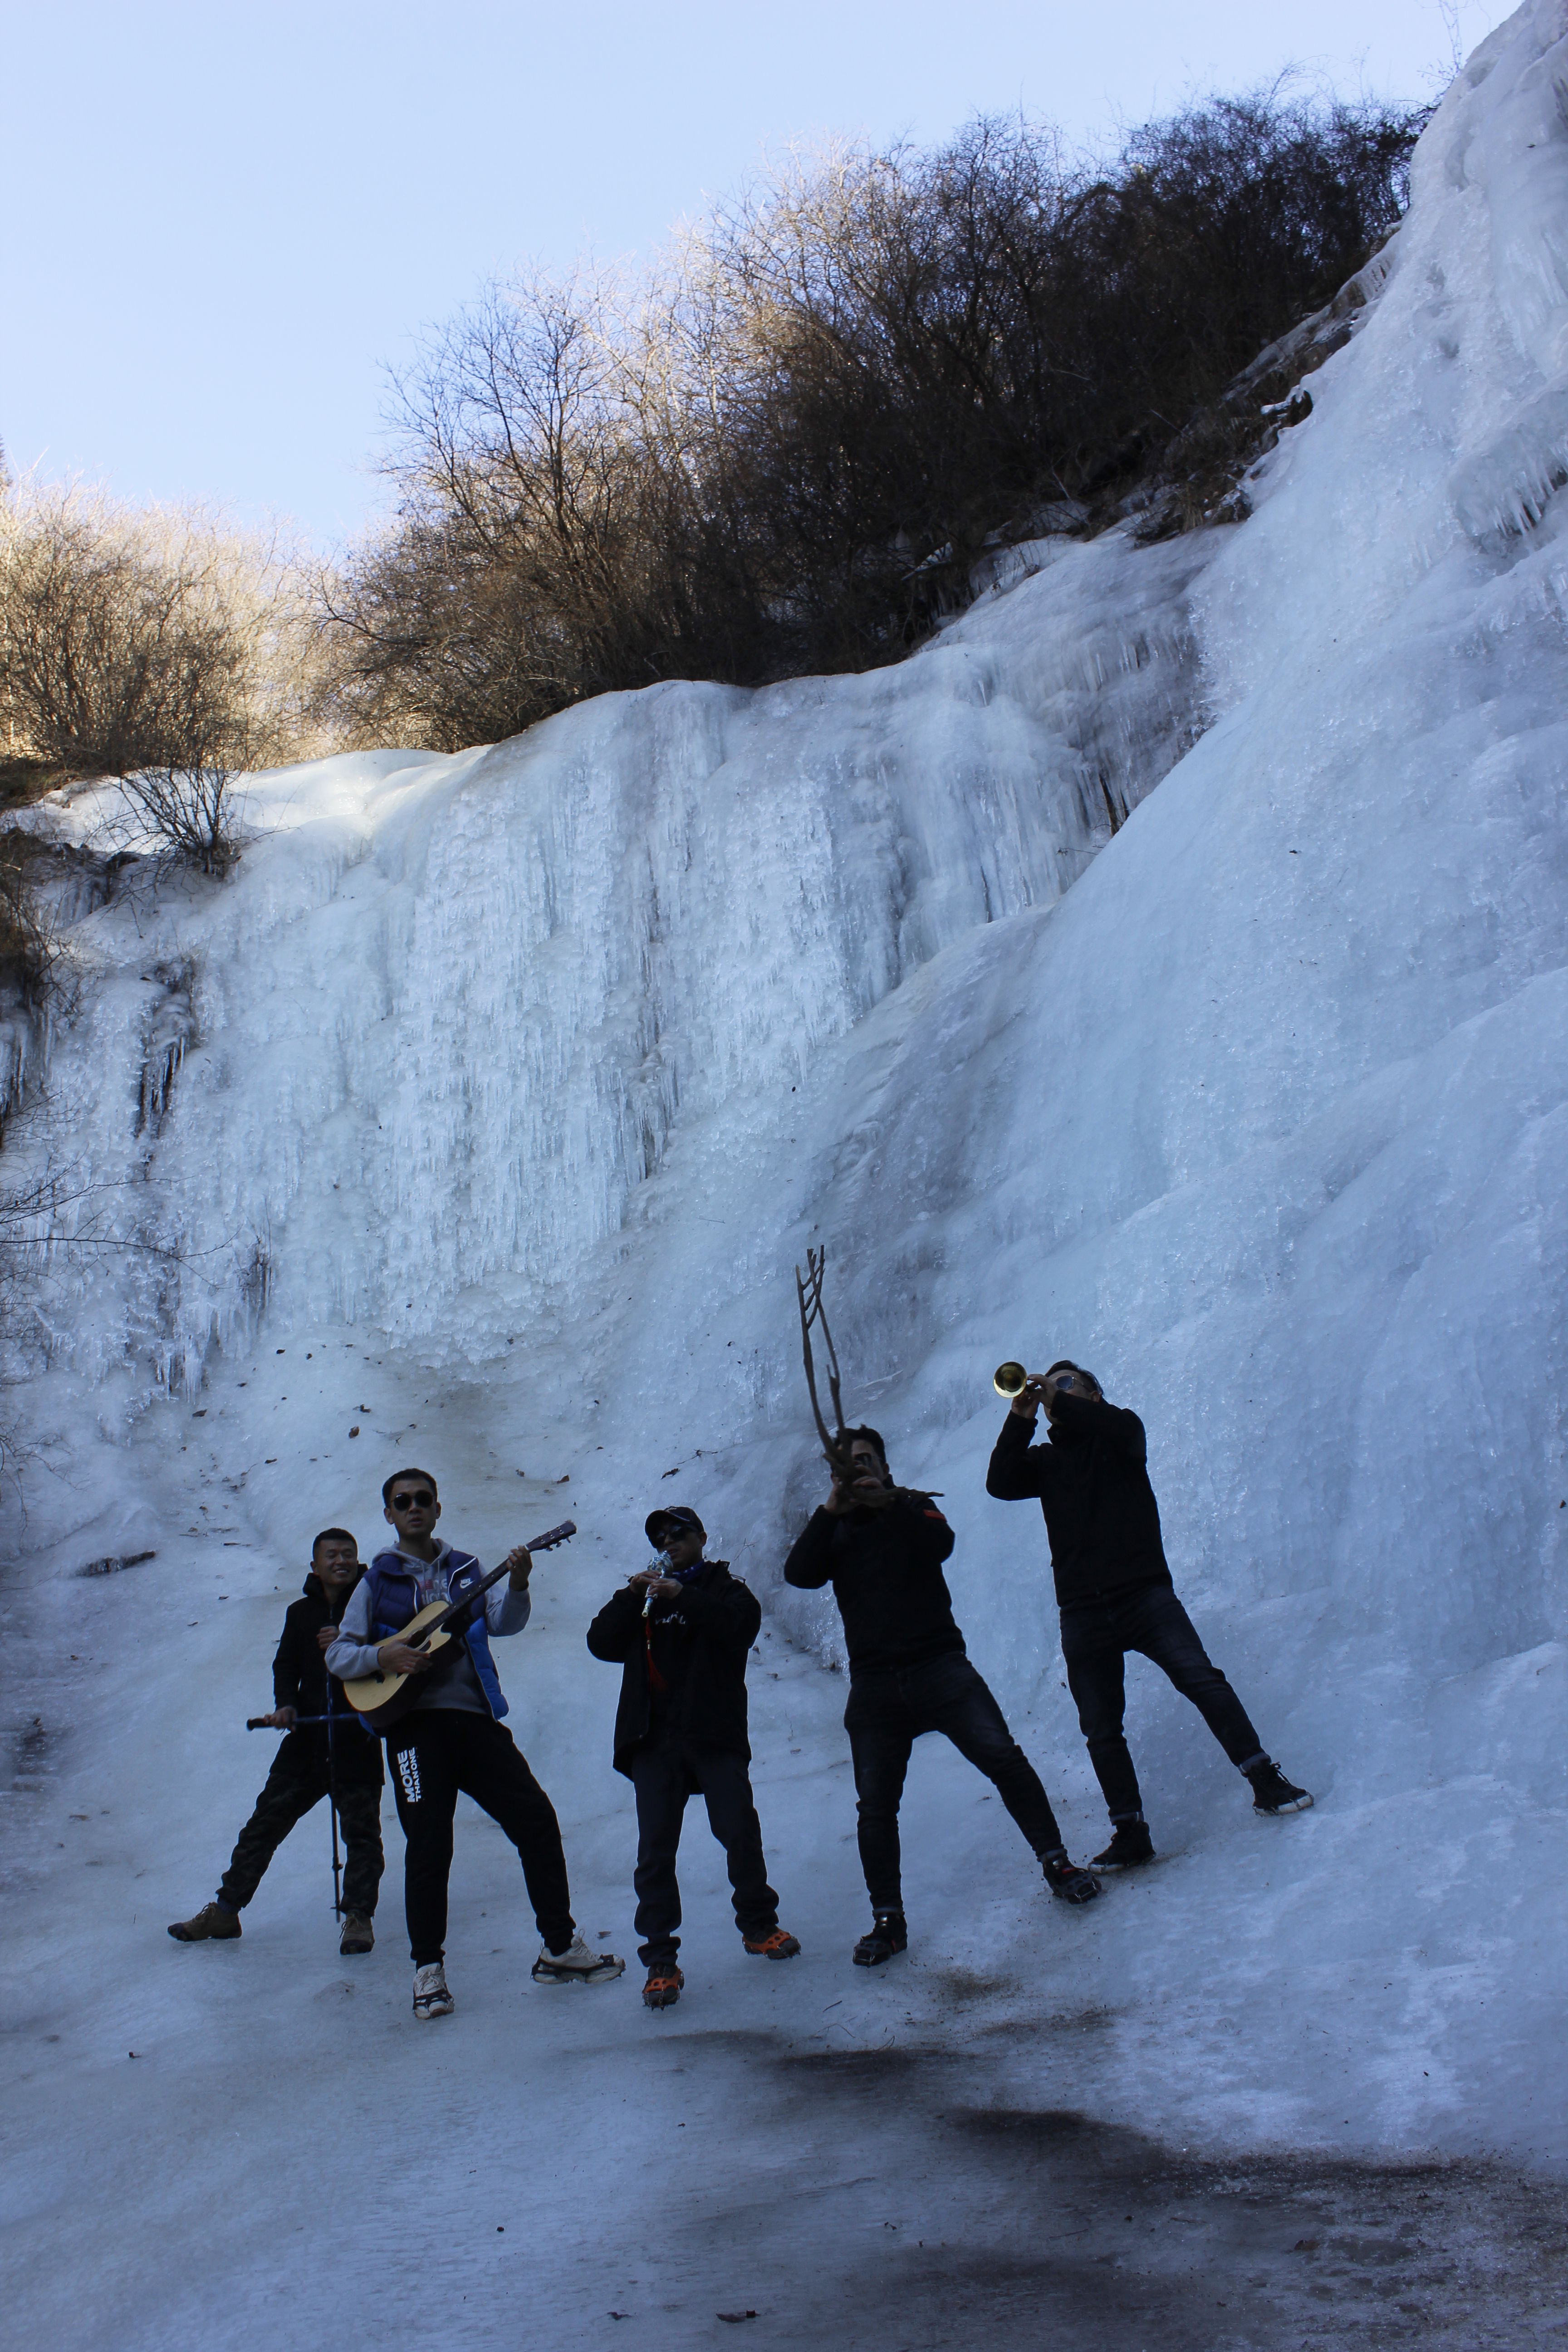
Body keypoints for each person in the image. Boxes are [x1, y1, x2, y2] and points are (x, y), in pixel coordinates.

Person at [784, 1427, 1099, 1966]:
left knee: (1005, 1760)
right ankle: (888, 1921)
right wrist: (831, 1508)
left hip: (939, 1666)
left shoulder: (914, 1507)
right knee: (876, 1808)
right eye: (846, 1464)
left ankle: (1058, 1864)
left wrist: (887, 1500)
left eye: (866, 1460)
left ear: (884, 1465)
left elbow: (940, 1545)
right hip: (875, 1683)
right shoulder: (833, 1529)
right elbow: (799, 1574)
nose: (857, 1469)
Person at [986, 1363, 1313, 1867]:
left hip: (1143, 1594)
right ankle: (1130, 1831)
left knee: (1201, 1680)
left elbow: (1117, 1428)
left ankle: (1264, 1778)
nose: (1055, 1389)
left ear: (1095, 1396)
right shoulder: (1046, 1460)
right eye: (1052, 1385)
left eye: (1068, 1382)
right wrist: (1022, 1418)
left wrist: (1060, 1397)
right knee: (1100, 1727)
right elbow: (1000, 1483)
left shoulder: (1122, 1432)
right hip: (1082, 1608)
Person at [327, 1467, 623, 2019]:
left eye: (423, 1499)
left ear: (438, 1509)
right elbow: (340, 1655)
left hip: (475, 1722)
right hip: (414, 1730)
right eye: (402, 1501)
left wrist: (518, 1582)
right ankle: (427, 1971)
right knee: (430, 1845)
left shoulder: (466, 1570)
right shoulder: (377, 1582)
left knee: (535, 1819)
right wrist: (382, 1656)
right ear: (388, 1514)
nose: (414, 1507)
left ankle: (559, 1947)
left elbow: (503, 1624)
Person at [587, 1502, 799, 2012]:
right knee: (655, 1852)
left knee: (738, 1829)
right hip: (653, 1741)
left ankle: (758, 1925)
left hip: (712, 1734)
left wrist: (687, 1595)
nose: (669, 1542)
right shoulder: (643, 1599)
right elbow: (600, 1643)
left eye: (678, 1533)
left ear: (702, 1536)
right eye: (660, 1536)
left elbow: (740, 1628)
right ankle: (660, 1959)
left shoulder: (726, 1590)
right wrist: (631, 1595)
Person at [169, 1528, 384, 1955]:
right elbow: (285, 1665)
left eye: (348, 1554)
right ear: (314, 1566)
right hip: (305, 1741)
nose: (340, 1561)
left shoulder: (373, 1606)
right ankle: (226, 1912)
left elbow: (392, 1655)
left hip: (356, 1736)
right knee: (264, 1826)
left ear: (358, 1561)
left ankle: (358, 1917)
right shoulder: (300, 1613)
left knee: (362, 1836)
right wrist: (285, 1705)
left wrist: (350, 1638)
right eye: (331, 1555)